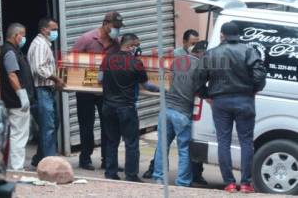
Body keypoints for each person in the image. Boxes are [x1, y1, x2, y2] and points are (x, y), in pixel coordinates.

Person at [198, 22, 266, 193]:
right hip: (245, 100)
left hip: (220, 102)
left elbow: (197, 80)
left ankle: (229, 183)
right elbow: (259, 75)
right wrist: (253, 90)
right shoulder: (249, 51)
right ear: (238, 35)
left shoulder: (211, 54)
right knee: (246, 142)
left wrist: (207, 96)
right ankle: (245, 184)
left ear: (222, 35)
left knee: (223, 141)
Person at [143, 29, 207, 185]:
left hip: (166, 110)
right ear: (202, 53)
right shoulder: (200, 66)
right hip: (183, 113)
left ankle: (159, 177)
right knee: (184, 149)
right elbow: (199, 90)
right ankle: (183, 182)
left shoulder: (177, 61)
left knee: (162, 146)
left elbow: (170, 83)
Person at [100, 33, 158, 182]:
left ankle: (110, 172)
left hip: (108, 106)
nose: (138, 49)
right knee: (131, 143)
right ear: (130, 46)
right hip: (126, 108)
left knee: (112, 141)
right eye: (137, 45)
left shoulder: (108, 59)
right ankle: (131, 175)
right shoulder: (136, 63)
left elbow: (100, 79)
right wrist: (163, 89)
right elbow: (146, 85)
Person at [72, 11, 122, 171]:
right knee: (86, 126)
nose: (117, 30)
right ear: (106, 23)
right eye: (115, 27)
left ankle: (107, 160)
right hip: (85, 91)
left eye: (119, 27)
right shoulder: (86, 39)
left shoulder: (117, 43)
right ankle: (85, 159)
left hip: (106, 91)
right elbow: (71, 61)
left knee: (108, 126)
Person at [27, 17, 64, 167]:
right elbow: (40, 68)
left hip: (46, 90)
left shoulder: (43, 43)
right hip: (41, 90)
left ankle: (39, 158)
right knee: (48, 126)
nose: (56, 32)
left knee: (52, 124)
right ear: (44, 30)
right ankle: (49, 164)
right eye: (53, 29)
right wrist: (57, 79)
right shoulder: (41, 45)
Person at [0, 23, 35, 170]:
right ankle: (17, 167)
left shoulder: (12, 51)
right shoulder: (10, 52)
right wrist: (22, 95)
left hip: (11, 100)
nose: (24, 38)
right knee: (18, 135)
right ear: (16, 35)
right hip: (16, 102)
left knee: (13, 134)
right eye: (23, 35)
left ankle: (11, 166)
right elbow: (12, 75)